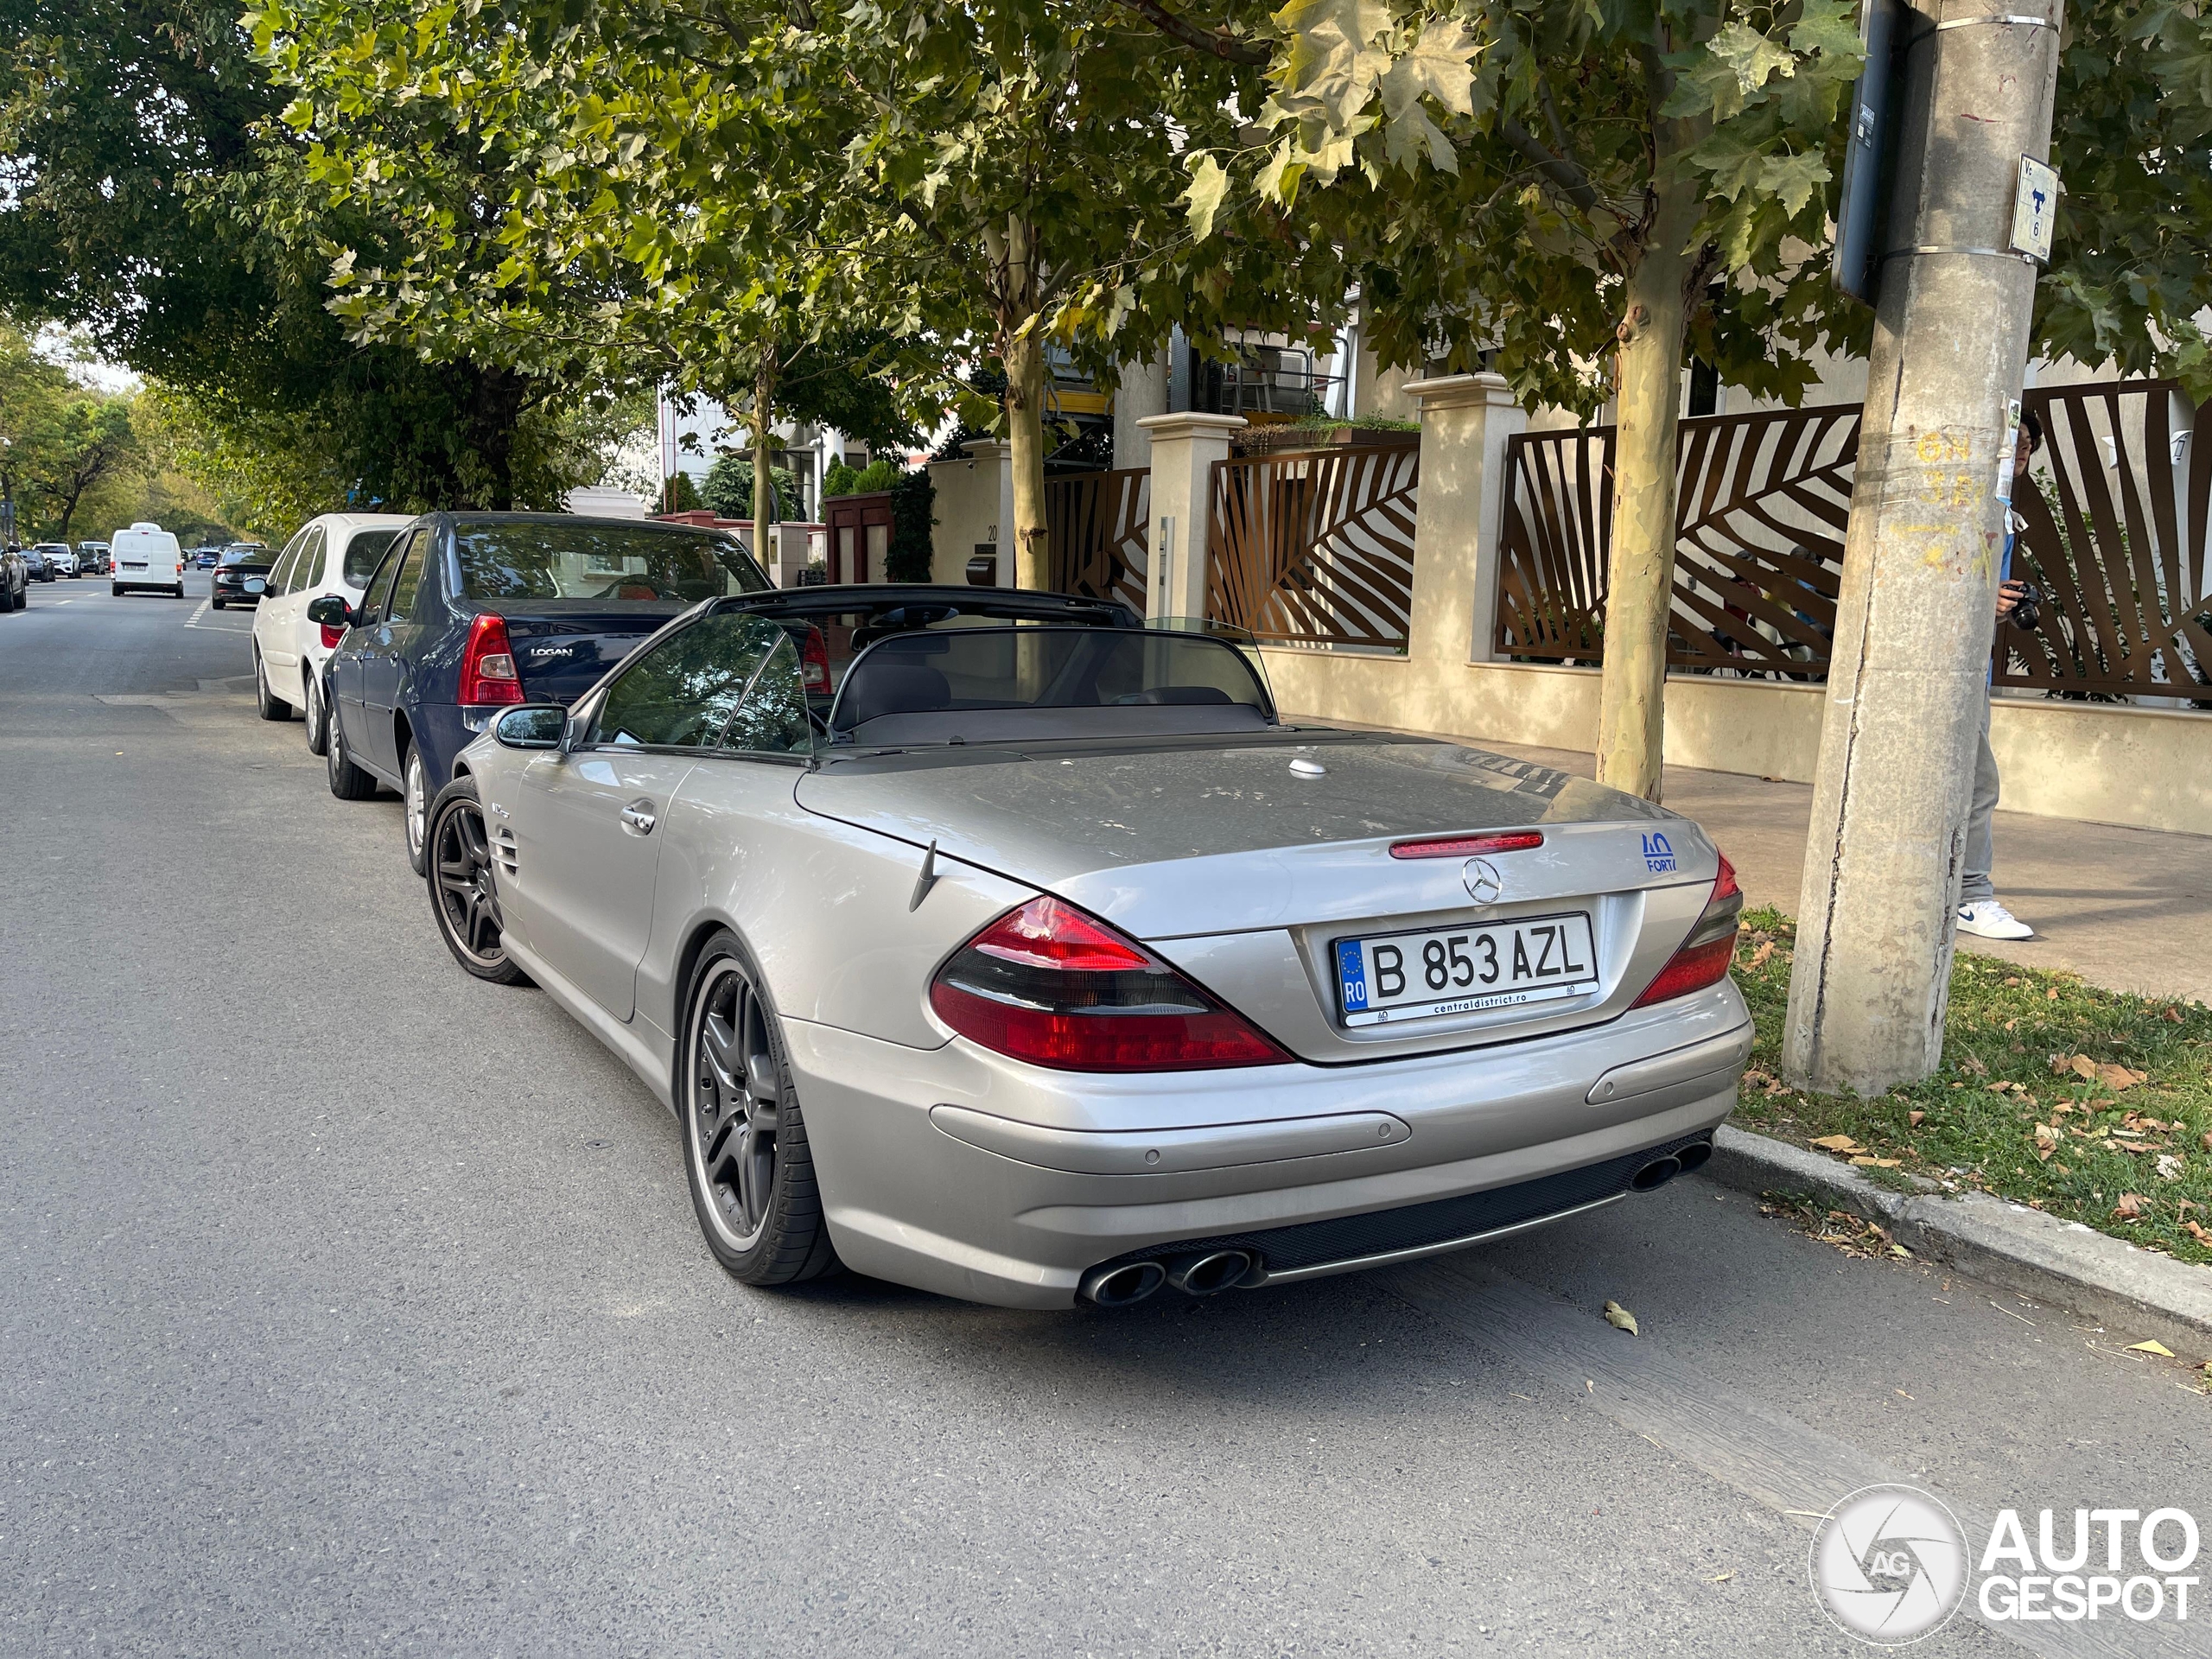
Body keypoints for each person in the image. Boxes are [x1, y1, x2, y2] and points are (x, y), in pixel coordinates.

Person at [1955, 409, 2041, 942]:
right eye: (2015, 443)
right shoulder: (1967, 505)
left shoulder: (2003, 511)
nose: (2022, 453)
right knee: (1979, 782)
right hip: (1933, 670)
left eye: (2030, 446)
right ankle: (1970, 896)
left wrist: (1999, 605)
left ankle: (1960, 891)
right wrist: (1983, 602)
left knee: (1970, 782)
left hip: (1974, 670)